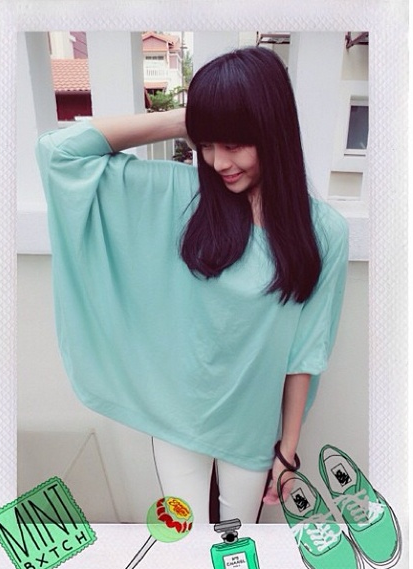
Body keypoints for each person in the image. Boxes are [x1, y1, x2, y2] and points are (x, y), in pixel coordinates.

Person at [35, 46, 349, 524]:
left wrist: (287, 452)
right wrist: (194, 118)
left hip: (251, 427)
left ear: (274, 130)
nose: (219, 162)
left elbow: (305, 352)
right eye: (207, 145)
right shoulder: (182, 195)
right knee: (187, 540)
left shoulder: (324, 232)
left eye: (234, 143)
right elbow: (59, 152)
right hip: (178, 416)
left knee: (235, 542)